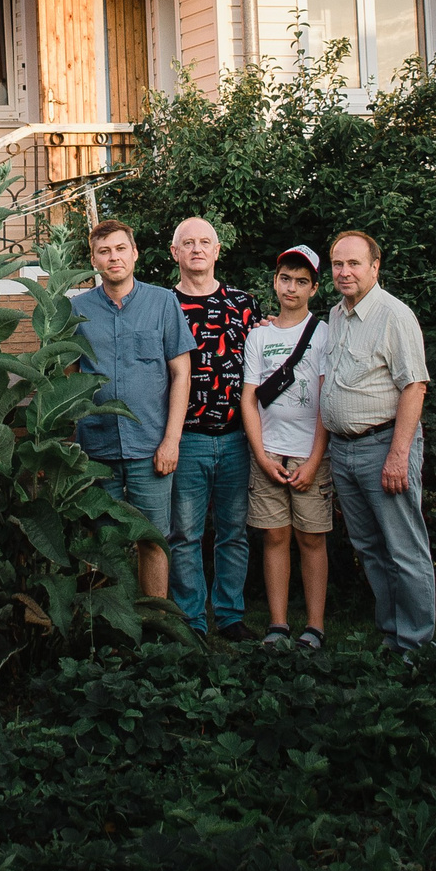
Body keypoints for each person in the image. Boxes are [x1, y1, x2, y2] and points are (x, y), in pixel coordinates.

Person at [321, 231, 435, 652]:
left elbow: (414, 387)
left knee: (404, 549)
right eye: (337, 264)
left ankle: (418, 644)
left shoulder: (393, 315)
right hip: (344, 451)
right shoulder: (336, 314)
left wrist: (398, 456)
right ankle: (393, 634)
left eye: (354, 263)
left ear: (375, 266)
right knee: (370, 549)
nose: (344, 271)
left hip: (383, 447)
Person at [68, 220, 192, 600]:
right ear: (94, 260)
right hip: (96, 449)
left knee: (152, 539)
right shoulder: (77, 310)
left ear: (135, 253)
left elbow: (181, 374)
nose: (114, 257)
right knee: (100, 542)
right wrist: (74, 444)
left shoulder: (163, 302)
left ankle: (153, 625)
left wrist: (171, 440)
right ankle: (110, 627)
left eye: (121, 249)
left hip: (150, 446)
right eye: (104, 251)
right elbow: (70, 377)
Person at [165, 216, 259, 639]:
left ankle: (230, 615)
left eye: (205, 242)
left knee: (233, 532)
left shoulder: (244, 303)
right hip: (186, 438)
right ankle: (191, 620)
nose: (197, 249)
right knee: (184, 534)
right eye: (188, 243)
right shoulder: (162, 306)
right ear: (175, 253)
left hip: (238, 437)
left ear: (218, 251)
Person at [242, 244, 333, 651]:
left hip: (309, 454)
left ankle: (314, 626)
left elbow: (326, 398)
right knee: (274, 537)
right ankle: (278, 624)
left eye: (301, 281)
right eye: (285, 279)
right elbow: (248, 398)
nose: (291, 288)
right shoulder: (259, 334)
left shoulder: (325, 332)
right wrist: (260, 455)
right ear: (275, 282)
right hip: (268, 453)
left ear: (314, 287)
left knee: (312, 538)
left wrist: (314, 460)